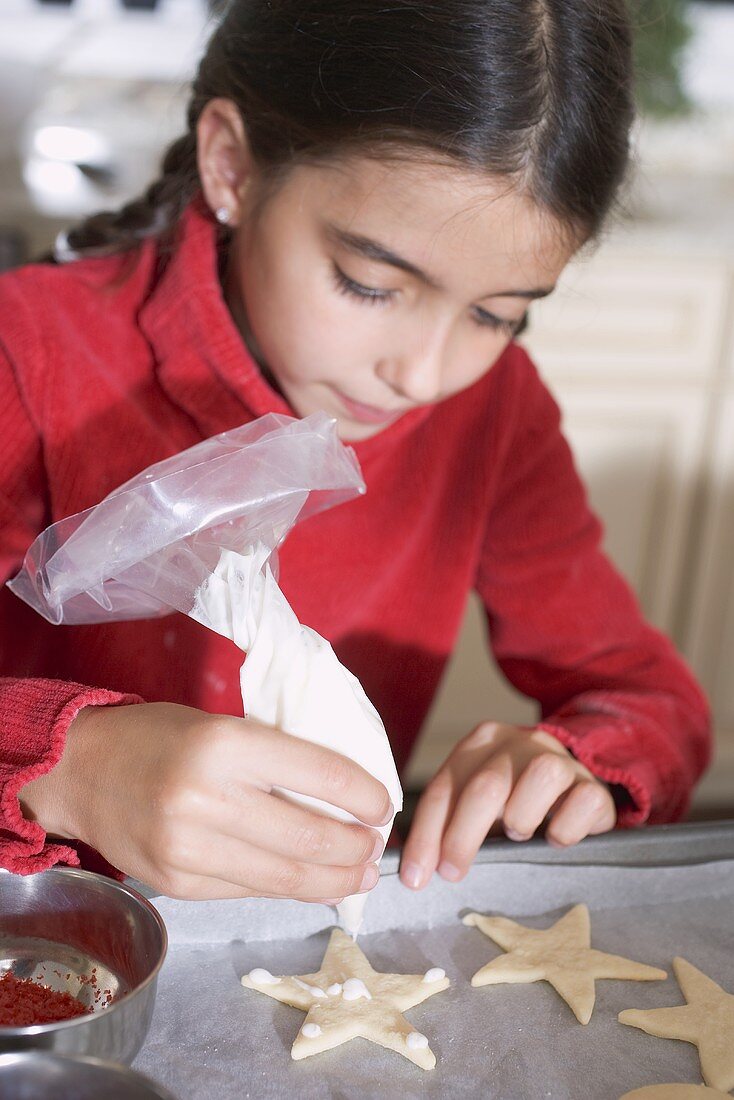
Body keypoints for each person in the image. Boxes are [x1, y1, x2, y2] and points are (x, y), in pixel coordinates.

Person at [0, 1, 710, 905]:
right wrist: (66, 763)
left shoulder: (491, 409)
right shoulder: (31, 356)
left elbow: (652, 702)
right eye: (369, 284)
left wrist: (576, 766)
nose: (422, 373)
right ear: (232, 166)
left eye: (498, 314)